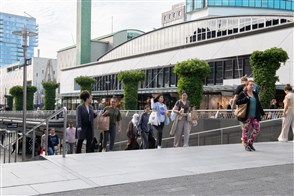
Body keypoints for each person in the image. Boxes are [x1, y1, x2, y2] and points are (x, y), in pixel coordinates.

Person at [236, 80, 265, 151]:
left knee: (257, 129)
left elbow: (258, 104)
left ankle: (250, 142)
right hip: (246, 116)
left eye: (253, 85)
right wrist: (245, 99)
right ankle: (246, 145)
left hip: (255, 116)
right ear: (247, 86)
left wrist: (262, 113)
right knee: (245, 131)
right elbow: (237, 102)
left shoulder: (255, 94)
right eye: (250, 85)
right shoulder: (243, 94)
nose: (252, 86)